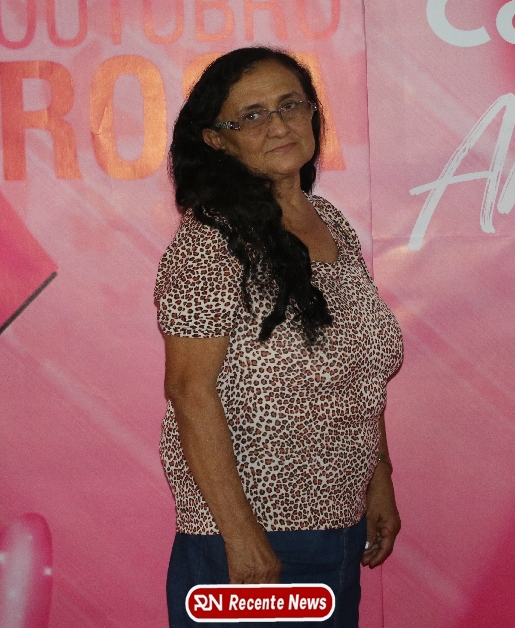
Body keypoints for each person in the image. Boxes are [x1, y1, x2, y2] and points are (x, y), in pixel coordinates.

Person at [155, 46, 403, 627]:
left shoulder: (330, 223)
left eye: (291, 104)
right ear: (217, 140)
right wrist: (241, 536)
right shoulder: (209, 243)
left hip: (338, 527)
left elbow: (359, 371)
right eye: (252, 115)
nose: (279, 125)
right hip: (255, 538)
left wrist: (379, 481)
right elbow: (190, 393)